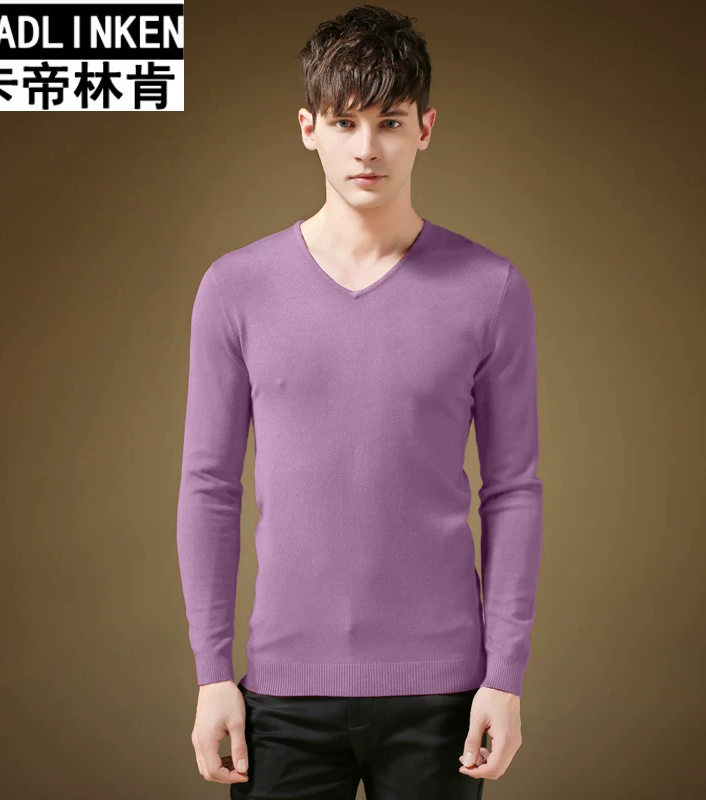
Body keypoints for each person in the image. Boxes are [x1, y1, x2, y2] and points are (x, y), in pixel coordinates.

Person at [176, 5, 544, 798]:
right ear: (308, 127)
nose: (367, 147)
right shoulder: (235, 289)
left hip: (443, 698)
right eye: (345, 122)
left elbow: (514, 489)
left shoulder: (492, 290)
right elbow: (209, 488)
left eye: (390, 122)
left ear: (425, 129)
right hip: (279, 695)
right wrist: (212, 675)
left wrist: (505, 677)